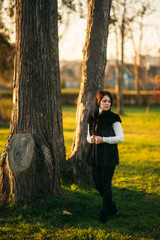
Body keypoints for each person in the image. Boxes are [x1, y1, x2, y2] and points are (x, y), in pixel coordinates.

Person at [87, 90, 124, 223]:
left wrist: (103, 139)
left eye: (109, 101)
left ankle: (105, 211)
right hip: (95, 156)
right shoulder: (91, 117)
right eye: (104, 101)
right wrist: (91, 139)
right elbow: (87, 137)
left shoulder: (114, 118)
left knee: (106, 184)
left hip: (109, 157)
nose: (107, 103)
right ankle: (112, 206)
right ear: (98, 102)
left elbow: (120, 138)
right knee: (98, 184)